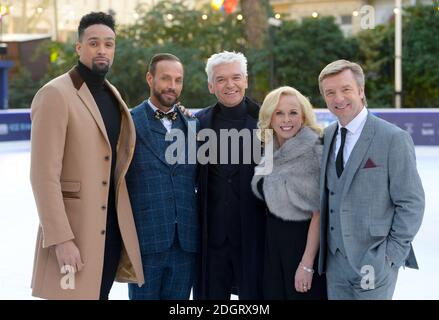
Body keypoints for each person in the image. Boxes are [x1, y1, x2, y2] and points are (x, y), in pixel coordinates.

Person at [29, 12, 144, 299]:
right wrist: (61, 240)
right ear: (79, 47)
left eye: (109, 44)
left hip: (109, 234)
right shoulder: (55, 94)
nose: (102, 50)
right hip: (73, 236)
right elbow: (43, 176)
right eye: (94, 43)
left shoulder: (112, 94)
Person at [317, 59, 425, 299]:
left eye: (346, 89)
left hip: (375, 261)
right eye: (330, 92)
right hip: (334, 264)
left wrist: (390, 256)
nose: (338, 98)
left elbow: (411, 202)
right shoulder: (326, 137)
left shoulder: (392, 138)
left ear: (361, 91)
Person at [125, 53, 199, 300]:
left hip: (186, 243)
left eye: (178, 80)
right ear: (150, 78)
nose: (172, 86)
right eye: (166, 78)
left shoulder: (192, 124)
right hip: (145, 241)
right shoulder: (128, 122)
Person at [193, 51, 266, 300]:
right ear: (211, 86)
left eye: (236, 77)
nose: (230, 85)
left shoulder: (268, 122)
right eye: (221, 79)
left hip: (254, 238)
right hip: (211, 241)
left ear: (246, 80)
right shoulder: (197, 123)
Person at [251, 86, 327, 300]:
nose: (286, 119)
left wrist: (307, 264)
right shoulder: (268, 150)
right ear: (270, 117)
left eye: (293, 112)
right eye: (279, 112)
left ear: (303, 116)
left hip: (302, 248)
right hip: (272, 249)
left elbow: (318, 214)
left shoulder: (313, 151)